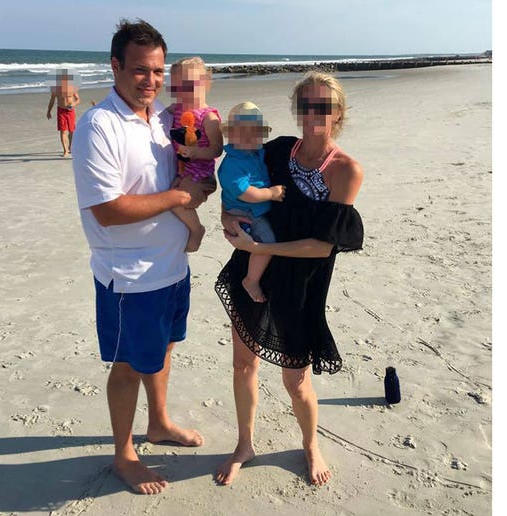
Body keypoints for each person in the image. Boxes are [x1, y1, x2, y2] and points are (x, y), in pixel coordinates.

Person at [71, 18, 207, 496]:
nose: (149, 81)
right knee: (130, 365)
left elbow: (192, 171)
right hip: (130, 277)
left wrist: (202, 185)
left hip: (172, 267)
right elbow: (108, 210)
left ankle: (160, 423)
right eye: (138, 70)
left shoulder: (163, 120)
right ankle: (124, 454)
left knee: (164, 350)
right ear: (115, 66)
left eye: (156, 71)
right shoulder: (99, 125)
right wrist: (178, 200)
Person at [214, 71, 365, 486]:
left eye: (324, 107)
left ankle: (310, 444)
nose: (314, 114)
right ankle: (244, 444)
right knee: (243, 364)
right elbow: (236, 182)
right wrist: (228, 215)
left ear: (338, 113)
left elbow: (321, 246)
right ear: (298, 109)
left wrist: (258, 250)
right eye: (307, 106)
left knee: (296, 380)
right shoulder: (278, 150)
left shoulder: (346, 170)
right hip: (251, 269)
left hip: (301, 284)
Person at [216, 102, 284, 303]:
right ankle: (251, 280)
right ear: (230, 135)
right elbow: (246, 193)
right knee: (266, 242)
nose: (249, 137)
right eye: (242, 133)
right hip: (246, 212)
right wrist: (271, 194)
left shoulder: (253, 153)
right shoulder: (233, 163)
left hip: (252, 210)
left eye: (254, 133)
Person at [166, 57, 223, 252]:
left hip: (200, 175)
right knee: (171, 198)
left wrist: (196, 152)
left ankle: (196, 229)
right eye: (178, 86)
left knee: (174, 201)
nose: (183, 91)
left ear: (206, 83)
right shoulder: (177, 110)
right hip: (183, 172)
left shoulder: (209, 118)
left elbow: (217, 149)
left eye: (190, 84)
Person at [47, 69, 81, 157]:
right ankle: (65, 150)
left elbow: (78, 100)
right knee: (63, 131)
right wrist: (49, 111)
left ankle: (70, 146)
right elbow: (52, 101)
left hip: (70, 111)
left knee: (71, 130)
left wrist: (73, 103)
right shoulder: (55, 90)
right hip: (61, 111)